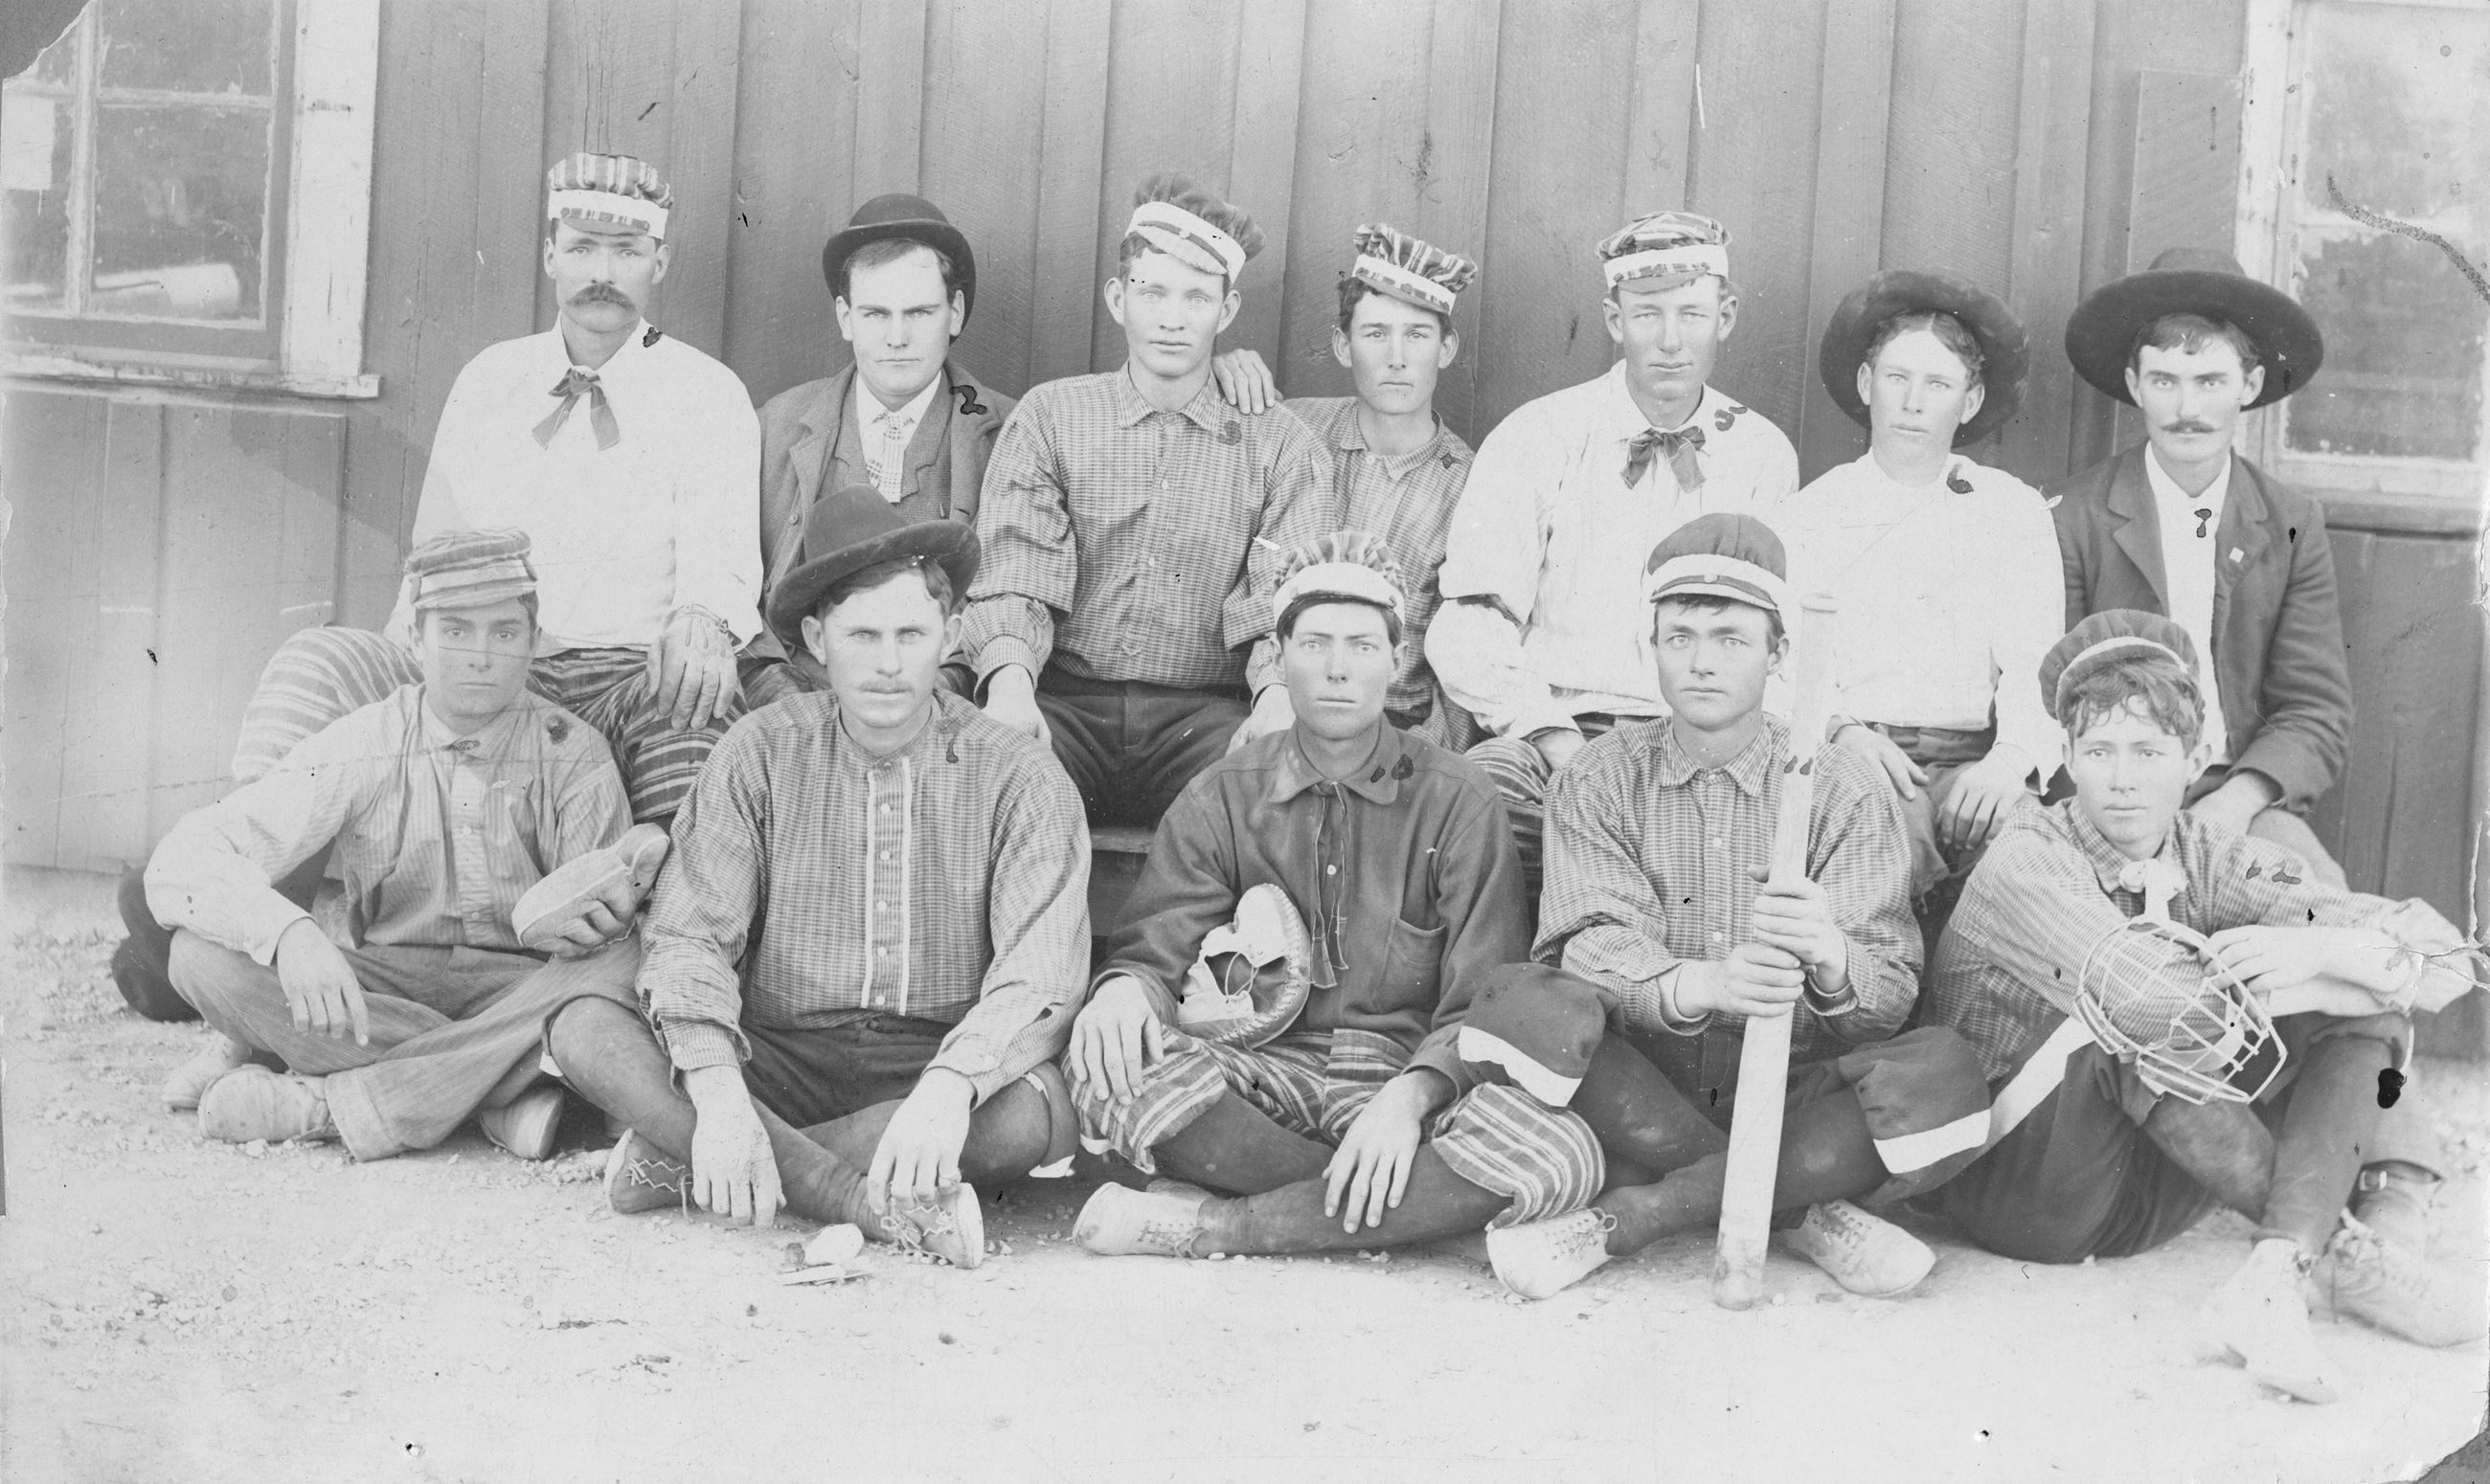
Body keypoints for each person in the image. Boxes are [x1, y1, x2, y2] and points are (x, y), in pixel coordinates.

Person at [112, 151, 760, 1026]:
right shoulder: (492, 379)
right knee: (321, 662)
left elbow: (723, 564)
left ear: (661, 264)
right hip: (476, 663)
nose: (602, 273)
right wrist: (408, 670)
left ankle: (658, 997)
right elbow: (434, 556)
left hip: (621, 681)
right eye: (582, 247)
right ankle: (254, 920)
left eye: (627, 251)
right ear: (549, 254)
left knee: (700, 722)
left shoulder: (706, 394)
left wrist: (702, 621)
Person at [1925, 610, 2483, 1405]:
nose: (2124, 779)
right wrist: (2332, 969)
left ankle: (2276, 1270)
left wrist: (2322, 951)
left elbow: (2451, 962)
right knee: (2127, 1022)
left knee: (2366, 1010)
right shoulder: (2028, 855)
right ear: (2065, 761)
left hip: (2148, 1187)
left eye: (2149, 752)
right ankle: (2342, 1256)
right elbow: (2160, 1007)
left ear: (2193, 763)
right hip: (2020, 1184)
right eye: (2100, 752)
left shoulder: (2207, 853)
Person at [545, 487, 1088, 1265]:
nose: (889, 662)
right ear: (815, 638)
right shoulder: (760, 751)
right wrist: (723, 1094)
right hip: (778, 1060)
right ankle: (853, 1198)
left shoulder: (1019, 775)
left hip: (930, 1060)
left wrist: (948, 1089)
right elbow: (691, 935)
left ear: (952, 635)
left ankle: (690, 1164)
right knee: (585, 1026)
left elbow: (1041, 971)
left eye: (912, 633)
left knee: (1028, 1117)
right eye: (862, 634)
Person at [1474, 515, 1990, 1302]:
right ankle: (1802, 1210)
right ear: (1651, 647)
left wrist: (1830, 954)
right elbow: (1587, 942)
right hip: (1647, 1080)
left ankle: (1638, 1214)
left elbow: (1885, 998)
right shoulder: (1602, 775)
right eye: (1679, 637)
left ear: (1779, 654)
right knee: (1518, 1004)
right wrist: (1703, 983)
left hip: (1791, 1085)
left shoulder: (1840, 785)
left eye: (1731, 638)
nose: (1702, 662)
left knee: (1943, 1074)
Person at [1065, 534, 1604, 1261]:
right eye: (1314, 643)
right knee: (1108, 1068)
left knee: (1559, 1150)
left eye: (1362, 645)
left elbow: (1482, 1000)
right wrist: (1125, 991)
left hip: (1404, 1075)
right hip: (1260, 1073)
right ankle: (1405, 1208)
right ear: (1280, 657)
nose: (1339, 669)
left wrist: (1410, 1101)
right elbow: (1154, 948)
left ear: (1395, 658)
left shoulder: (1458, 797)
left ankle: (1226, 1223)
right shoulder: (1224, 793)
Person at [146, 530, 651, 1161]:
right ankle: (499, 1091)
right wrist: (290, 933)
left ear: (534, 640)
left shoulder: (572, 755)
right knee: (198, 958)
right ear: (414, 639)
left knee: (618, 972)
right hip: (388, 988)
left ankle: (336, 1103)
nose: (480, 656)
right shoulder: (364, 741)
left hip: (523, 989)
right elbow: (184, 858)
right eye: (456, 631)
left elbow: (603, 952)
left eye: (504, 632)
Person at [1429, 212, 1799, 888]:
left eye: (1692, 314)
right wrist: (1549, 733)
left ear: (1727, 315)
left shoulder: (1760, 451)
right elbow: (1468, 622)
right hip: (1558, 730)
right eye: (1646, 315)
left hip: (1699, 738)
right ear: (1611, 318)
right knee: (1473, 802)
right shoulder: (1540, 433)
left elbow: (1774, 635)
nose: (1669, 342)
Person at [961, 172, 1338, 828]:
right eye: (1152, 291)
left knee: (1281, 792)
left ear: (1225, 312)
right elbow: (1016, 573)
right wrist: (1012, 684)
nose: (1171, 317)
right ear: (1117, 298)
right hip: (1066, 702)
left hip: (1203, 717)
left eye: (1196, 297)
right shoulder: (1052, 417)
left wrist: (1277, 697)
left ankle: (1203, 936)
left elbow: (1286, 602)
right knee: (980, 770)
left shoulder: (1282, 448)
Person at [2052, 248, 2351, 885]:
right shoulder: (2074, 515)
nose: (2187, 408)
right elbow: (2056, 694)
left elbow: (2315, 709)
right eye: (2165, 381)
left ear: (2249, 385)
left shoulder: (2291, 522)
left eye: (2210, 382)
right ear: (2135, 385)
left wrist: (2235, 801)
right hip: (2107, 795)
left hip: (2232, 794)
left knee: (2323, 907)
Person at [1779, 269, 2062, 919]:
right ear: (1864, 385)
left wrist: (2009, 762)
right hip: (1858, 756)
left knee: (2025, 850)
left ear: (1968, 401)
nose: (1912, 403)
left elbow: (2035, 665)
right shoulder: (1811, 515)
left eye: (1937, 385)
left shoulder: (2010, 512)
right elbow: (1788, 667)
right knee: (1879, 845)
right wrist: (1841, 732)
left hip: (1972, 762)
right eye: (1896, 378)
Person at [743, 194, 1016, 707]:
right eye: (875, 313)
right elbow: (739, 595)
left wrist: (927, 700)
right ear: (845, 317)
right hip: (791, 702)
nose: (897, 337)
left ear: (954, 312)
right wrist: (780, 699)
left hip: (940, 705)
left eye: (919, 312)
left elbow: (1009, 601)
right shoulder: (775, 426)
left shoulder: (1009, 434)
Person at [1278, 223, 1482, 749]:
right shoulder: (1290, 433)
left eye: (1417, 335)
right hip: (1282, 711)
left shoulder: (1473, 483)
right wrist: (1231, 367)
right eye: (1375, 334)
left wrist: (1423, 758)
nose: (1397, 357)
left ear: (1447, 348)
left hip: (1399, 728)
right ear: (1343, 346)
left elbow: (1463, 650)